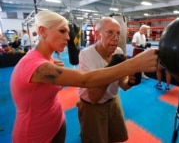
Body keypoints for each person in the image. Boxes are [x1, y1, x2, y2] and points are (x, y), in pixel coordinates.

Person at [10, 10, 158, 143]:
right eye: (62, 31)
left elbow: (122, 83)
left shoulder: (49, 61)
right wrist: (135, 63)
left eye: (68, 32)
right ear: (42, 31)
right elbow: (85, 80)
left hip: (57, 124)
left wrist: (130, 82)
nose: (68, 38)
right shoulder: (35, 65)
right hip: (35, 135)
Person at [77, 17, 141, 143]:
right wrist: (111, 68)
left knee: (114, 138)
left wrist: (131, 82)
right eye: (110, 32)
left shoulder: (118, 51)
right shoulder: (86, 55)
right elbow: (94, 97)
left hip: (113, 102)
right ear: (97, 34)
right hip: (92, 107)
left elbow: (122, 83)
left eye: (118, 33)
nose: (116, 37)